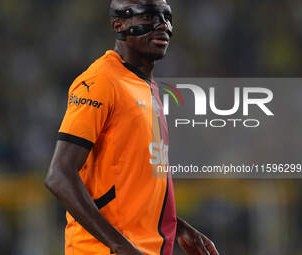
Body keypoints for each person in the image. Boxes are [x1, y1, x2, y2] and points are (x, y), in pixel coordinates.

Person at [45, 0, 219, 254]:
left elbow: (134, 187)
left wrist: (177, 227)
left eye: (166, 16)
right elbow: (58, 175)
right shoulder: (100, 80)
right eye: (148, 16)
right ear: (119, 24)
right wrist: (120, 246)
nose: (163, 25)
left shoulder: (148, 87)